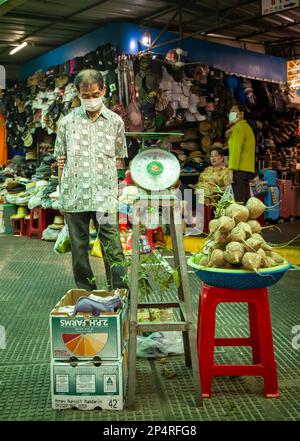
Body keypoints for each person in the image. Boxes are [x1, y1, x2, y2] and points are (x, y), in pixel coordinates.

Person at [54, 69, 128, 292]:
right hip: (75, 196)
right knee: (79, 249)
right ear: (77, 93)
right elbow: (60, 161)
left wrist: (120, 189)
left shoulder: (115, 122)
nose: (91, 99)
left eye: (95, 94)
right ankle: (87, 293)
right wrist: (61, 194)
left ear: (103, 90)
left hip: (104, 197)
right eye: (85, 96)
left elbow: (119, 160)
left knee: (113, 247)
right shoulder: (66, 123)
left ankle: (119, 292)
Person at [227, 103, 256, 204]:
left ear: (242, 114)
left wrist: (231, 169)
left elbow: (235, 150)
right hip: (246, 170)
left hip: (239, 170)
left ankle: (240, 220)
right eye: (230, 111)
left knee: (239, 203)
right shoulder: (246, 127)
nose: (231, 113)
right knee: (245, 202)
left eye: (234, 111)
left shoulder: (239, 128)